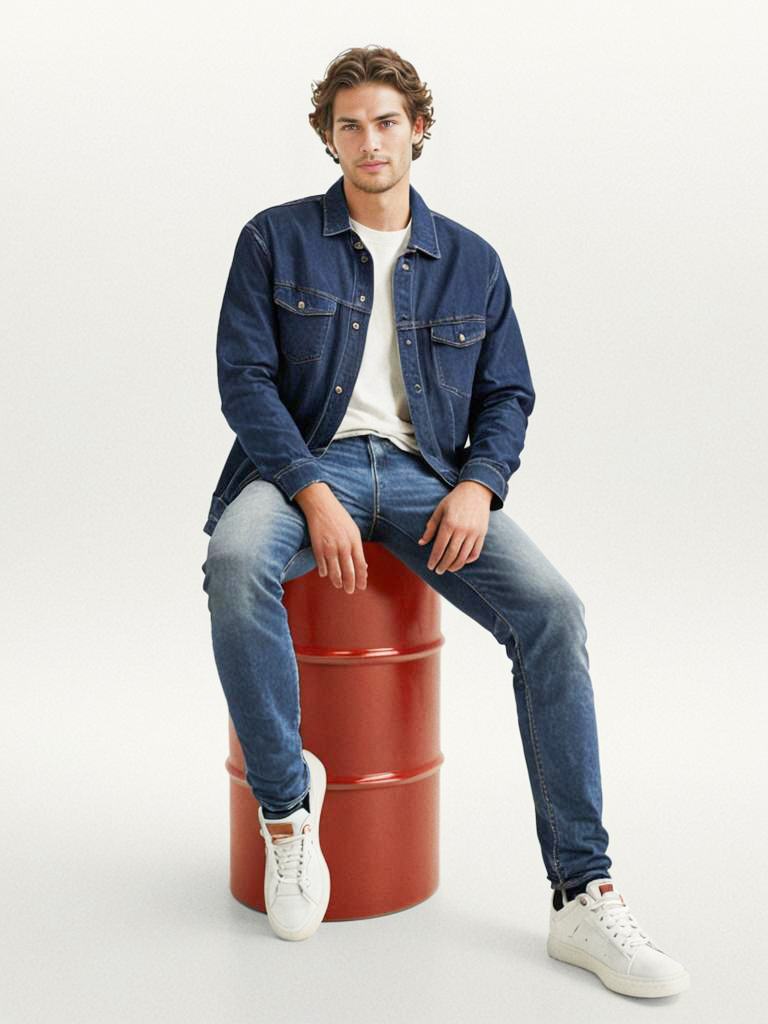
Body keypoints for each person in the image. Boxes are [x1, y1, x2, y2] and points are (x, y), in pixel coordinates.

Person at [201, 44, 689, 997]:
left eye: (386, 121)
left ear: (418, 128)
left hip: (431, 478)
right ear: (328, 137)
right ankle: (289, 814)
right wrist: (307, 488)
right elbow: (245, 381)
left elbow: (509, 391)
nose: (369, 140)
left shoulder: (472, 259)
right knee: (234, 560)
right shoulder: (274, 238)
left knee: (553, 612)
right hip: (308, 463)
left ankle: (582, 895)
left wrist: (480, 485)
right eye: (349, 125)